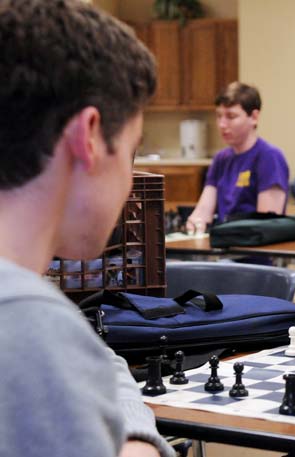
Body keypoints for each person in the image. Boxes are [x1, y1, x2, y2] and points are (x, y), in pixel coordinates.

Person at [0, 1, 173, 456]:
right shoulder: (27, 322)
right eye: (131, 152)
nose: (129, 181)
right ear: (89, 137)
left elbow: (93, 363)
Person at [186, 82, 289, 233]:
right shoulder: (220, 159)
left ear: (254, 117)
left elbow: (267, 226)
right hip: (223, 249)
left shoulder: (270, 157)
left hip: (251, 253)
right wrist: (194, 224)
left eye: (231, 116)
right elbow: (202, 212)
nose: (222, 124)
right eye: (219, 116)